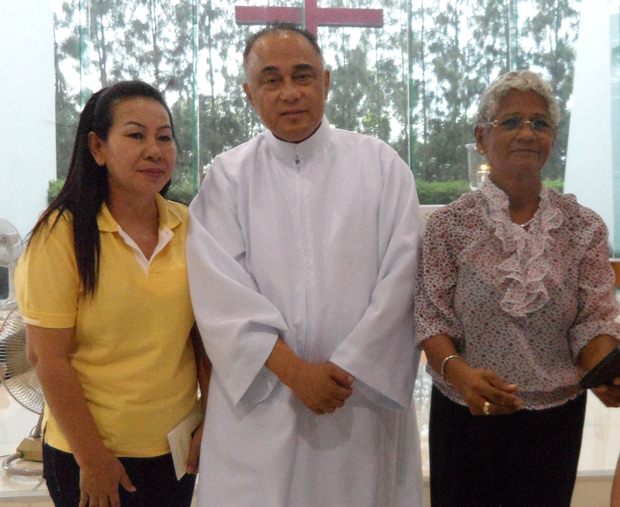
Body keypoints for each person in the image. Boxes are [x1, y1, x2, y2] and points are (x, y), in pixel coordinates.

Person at [186, 23, 424, 507]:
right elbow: (220, 295)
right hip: (264, 398)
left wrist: (343, 371)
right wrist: (296, 372)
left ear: (327, 82)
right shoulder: (227, 178)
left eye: (303, 75)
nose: (290, 92)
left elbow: (403, 279)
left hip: (357, 400)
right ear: (249, 93)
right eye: (271, 80)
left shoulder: (381, 166)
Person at [415, 69, 620, 507]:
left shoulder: (583, 227)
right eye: (510, 122)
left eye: (539, 123)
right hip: (464, 413)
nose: (526, 132)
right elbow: (431, 319)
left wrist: (606, 371)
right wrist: (461, 374)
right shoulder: (449, 226)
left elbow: (595, 320)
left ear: (552, 139)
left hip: (554, 421)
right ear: (482, 137)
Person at [15, 81, 210, 507]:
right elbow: (48, 358)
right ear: (97, 147)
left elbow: (203, 337)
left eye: (165, 136)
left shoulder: (187, 225)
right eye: (136, 135)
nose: (155, 150)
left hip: (173, 450)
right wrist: (94, 458)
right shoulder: (60, 236)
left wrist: (208, 421)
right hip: (90, 455)